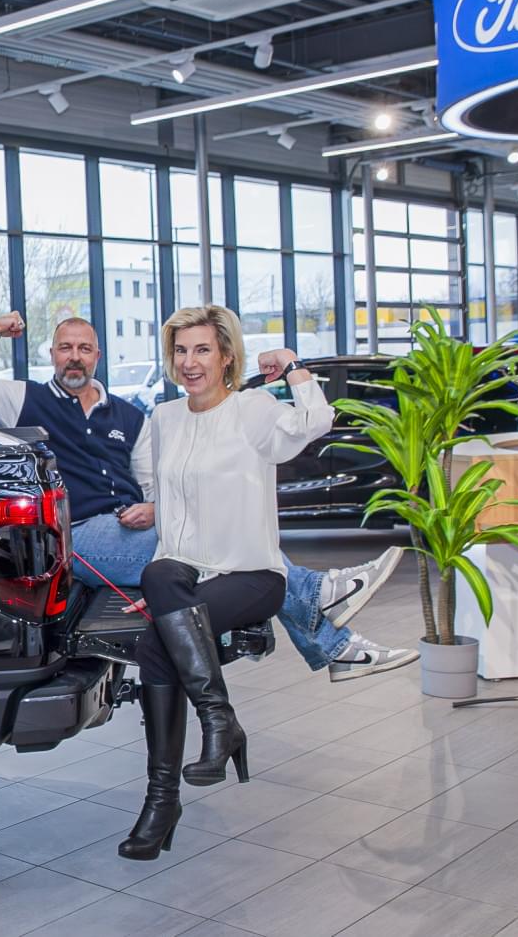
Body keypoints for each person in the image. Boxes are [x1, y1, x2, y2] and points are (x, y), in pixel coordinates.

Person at [0, 311, 412, 684]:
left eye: (83, 348)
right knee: (214, 544)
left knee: (214, 531)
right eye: (64, 348)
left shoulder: (132, 416)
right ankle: (316, 596)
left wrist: (157, 508)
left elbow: (155, 480)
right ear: (52, 354)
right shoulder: (23, 399)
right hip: (77, 537)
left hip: (134, 524)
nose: (73, 357)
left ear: (97, 355)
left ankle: (333, 646)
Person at [114, 305, 334, 860]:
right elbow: (167, 507)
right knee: (159, 571)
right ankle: (218, 726)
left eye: (203, 350)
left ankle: (162, 800)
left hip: (252, 573)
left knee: (154, 643)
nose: (190, 362)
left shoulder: (253, 409)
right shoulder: (163, 419)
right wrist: (163, 591)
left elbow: (313, 424)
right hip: (184, 570)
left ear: (227, 356)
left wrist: (293, 368)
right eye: (182, 351)